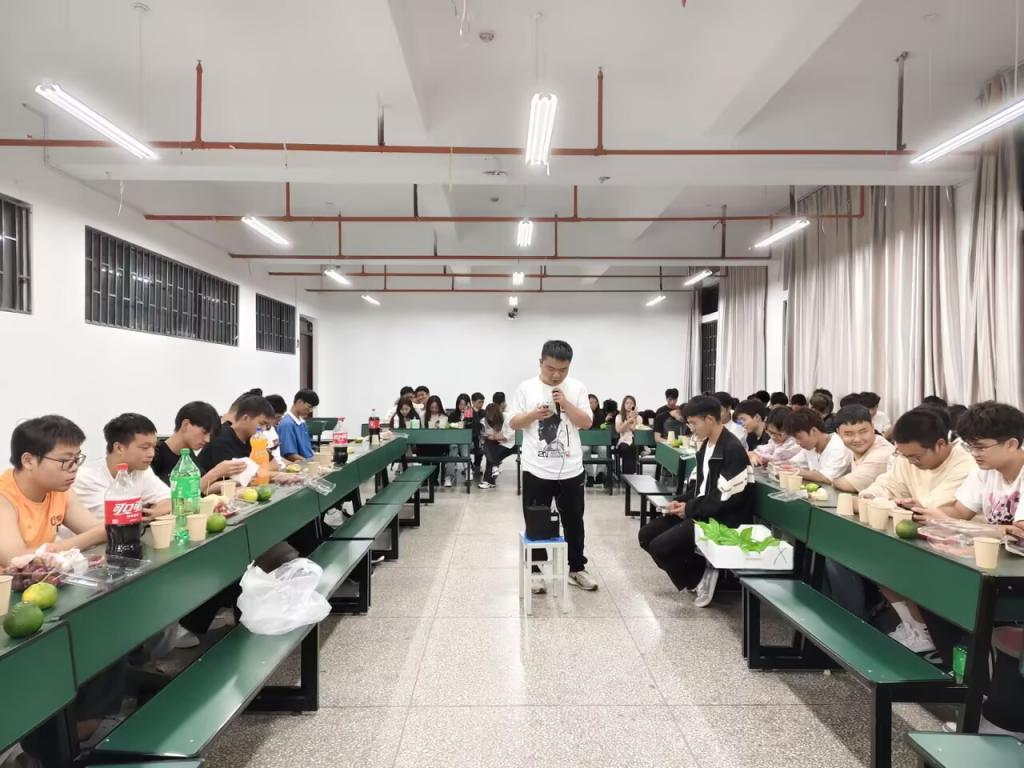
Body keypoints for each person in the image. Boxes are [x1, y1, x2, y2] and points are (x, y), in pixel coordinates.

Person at [858, 407, 977, 651]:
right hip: (921, 536)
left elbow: (932, 509)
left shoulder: (965, 465)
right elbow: (886, 485)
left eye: (916, 457)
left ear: (941, 444)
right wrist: (870, 496)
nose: (911, 462)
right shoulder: (908, 458)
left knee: (902, 568)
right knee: (876, 560)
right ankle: (914, 626)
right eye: (905, 456)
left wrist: (889, 504)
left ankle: (928, 633)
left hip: (959, 543)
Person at [638, 395, 753, 607]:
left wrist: (689, 509)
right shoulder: (706, 445)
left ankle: (701, 578)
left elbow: (725, 498)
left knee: (660, 547)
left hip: (721, 519)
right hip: (702, 510)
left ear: (709, 419)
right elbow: (700, 486)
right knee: (646, 535)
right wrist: (680, 502)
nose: (691, 428)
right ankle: (700, 574)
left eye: (693, 423)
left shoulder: (731, 448)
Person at [508, 339, 598, 591]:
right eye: (551, 368)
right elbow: (513, 423)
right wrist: (533, 415)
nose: (556, 375)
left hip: (571, 469)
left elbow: (587, 423)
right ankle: (536, 572)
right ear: (540, 363)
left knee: (574, 521)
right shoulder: (526, 388)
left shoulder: (577, 388)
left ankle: (577, 568)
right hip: (536, 468)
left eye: (563, 370)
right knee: (537, 521)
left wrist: (566, 403)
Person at [0, 416, 107, 565]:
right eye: (65, 461)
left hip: (43, 576)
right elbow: (16, 559)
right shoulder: (4, 497)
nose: (74, 468)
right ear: (28, 461)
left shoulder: (59, 490)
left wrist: (102, 532)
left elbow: (100, 531)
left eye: (76, 459)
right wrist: (56, 548)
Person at [914, 401, 1024, 532]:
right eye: (969, 446)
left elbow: (1020, 532)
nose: (974, 453)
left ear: (1011, 445)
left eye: (981, 447)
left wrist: (952, 524)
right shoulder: (986, 470)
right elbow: (959, 511)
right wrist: (923, 511)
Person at [74, 413, 172, 520]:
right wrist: (144, 511)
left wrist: (155, 511)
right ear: (119, 448)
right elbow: (116, 518)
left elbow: (171, 500)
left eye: (153, 447)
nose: (151, 454)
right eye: (145, 448)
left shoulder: (141, 471)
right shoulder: (85, 477)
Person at [152, 401, 245, 492]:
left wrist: (242, 480)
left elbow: (204, 487)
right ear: (185, 425)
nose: (207, 440)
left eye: (210, 435)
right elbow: (179, 493)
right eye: (204, 432)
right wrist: (216, 472)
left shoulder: (188, 454)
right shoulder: (154, 455)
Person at [196, 394, 275, 473]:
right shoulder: (221, 438)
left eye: (267, 426)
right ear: (245, 418)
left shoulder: (253, 440)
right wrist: (265, 472)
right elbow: (237, 476)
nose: (264, 429)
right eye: (262, 424)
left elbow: (274, 464)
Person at [830, 405, 894, 493]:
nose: (857, 439)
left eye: (863, 432)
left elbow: (848, 484)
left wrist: (834, 481)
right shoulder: (851, 448)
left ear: (873, 427)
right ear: (838, 433)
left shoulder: (882, 453)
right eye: (849, 434)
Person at [784, 409, 852, 485]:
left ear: (813, 431)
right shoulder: (810, 447)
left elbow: (827, 477)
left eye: (799, 438)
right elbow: (794, 463)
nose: (797, 442)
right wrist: (783, 467)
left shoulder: (839, 447)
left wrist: (796, 471)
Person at [478, 404, 517, 489]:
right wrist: (487, 436)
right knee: (488, 445)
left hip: (510, 444)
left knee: (491, 454)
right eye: (488, 416)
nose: (490, 419)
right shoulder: (486, 420)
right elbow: (485, 434)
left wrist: (494, 437)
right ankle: (494, 469)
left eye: (492, 416)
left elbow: (508, 436)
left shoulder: (507, 418)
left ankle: (488, 480)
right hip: (497, 443)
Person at [421, 395, 455, 487]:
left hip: (440, 442)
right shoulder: (424, 416)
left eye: (436, 407)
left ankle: (434, 478)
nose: (434, 410)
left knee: (436, 454)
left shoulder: (444, 417)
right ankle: (424, 478)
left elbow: (447, 432)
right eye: (432, 407)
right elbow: (421, 431)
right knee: (424, 452)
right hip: (426, 442)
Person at [277, 389, 319, 462]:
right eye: (309, 406)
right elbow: (290, 455)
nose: (311, 410)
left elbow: (307, 450)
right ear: (299, 402)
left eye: (313, 408)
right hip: (300, 466)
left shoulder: (302, 422)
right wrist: (310, 463)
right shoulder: (287, 424)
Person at [616, 395, 641, 475]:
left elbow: (634, 429)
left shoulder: (639, 417)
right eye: (627, 403)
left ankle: (629, 474)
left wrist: (634, 419)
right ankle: (628, 474)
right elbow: (618, 429)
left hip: (635, 440)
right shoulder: (619, 417)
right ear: (624, 405)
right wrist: (628, 421)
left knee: (633, 447)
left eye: (631, 403)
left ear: (634, 405)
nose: (629, 405)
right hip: (623, 440)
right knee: (625, 448)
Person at [264, 394, 288, 464]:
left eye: (281, 416)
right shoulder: (259, 434)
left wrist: (293, 464)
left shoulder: (273, 429)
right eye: (277, 417)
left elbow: (278, 458)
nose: (280, 420)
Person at [470, 392, 487, 478]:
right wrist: (475, 413)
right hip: (470, 436)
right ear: (473, 402)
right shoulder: (468, 412)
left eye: (482, 402)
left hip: (480, 437)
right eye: (479, 402)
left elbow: (482, 426)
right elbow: (473, 425)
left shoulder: (484, 412)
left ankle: (476, 465)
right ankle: (473, 466)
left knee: (480, 441)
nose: (481, 404)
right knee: (478, 440)